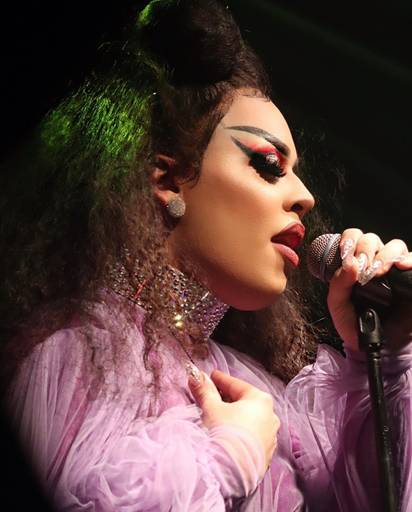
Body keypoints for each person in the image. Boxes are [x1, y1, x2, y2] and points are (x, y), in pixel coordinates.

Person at [1, 1, 411, 510]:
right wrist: (226, 458)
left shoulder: (262, 389)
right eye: (268, 164)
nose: (305, 196)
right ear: (168, 179)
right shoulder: (77, 357)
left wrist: (384, 361)